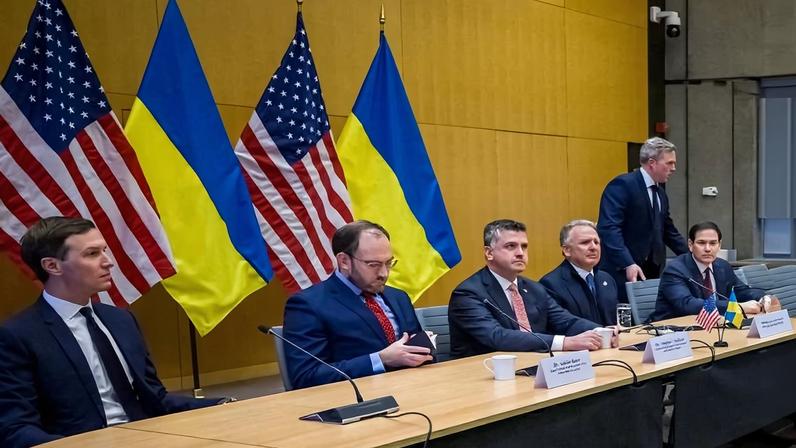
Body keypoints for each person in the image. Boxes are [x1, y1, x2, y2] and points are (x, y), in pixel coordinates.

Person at [0, 217, 223, 448]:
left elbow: (155, 399)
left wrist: (223, 405)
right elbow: (16, 429)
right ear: (52, 266)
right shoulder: (17, 336)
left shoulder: (120, 319)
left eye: (104, 251)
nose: (108, 262)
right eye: (92, 254)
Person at [282, 220, 432, 389]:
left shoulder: (399, 297)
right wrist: (380, 359)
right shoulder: (308, 305)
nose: (384, 273)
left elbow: (420, 351)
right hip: (355, 399)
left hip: (414, 389)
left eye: (389, 263)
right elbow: (306, 376)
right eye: (373, 265)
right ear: (344, 261)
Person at [448, 219, 615, 359]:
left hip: (532, 365)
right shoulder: (468, 294)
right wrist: (565, 343)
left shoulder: (534, 288)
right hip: (482, 374)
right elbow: (497, 337)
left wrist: (600, 331)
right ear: (489, 253)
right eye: (511, 246)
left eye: (524, 246)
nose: (520, 253)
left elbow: (565, 320)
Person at [597, 137, 689, 298]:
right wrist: (627, 263)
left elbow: (668, 230)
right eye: (669, 163)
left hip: (652, 270)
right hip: (624, 270)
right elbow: (609, 228)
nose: (674, 168)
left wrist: (693, 256)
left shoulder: (660, 193)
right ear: (652, 163)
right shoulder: (622, 185)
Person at [649, 221, 766, 322]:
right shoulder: (676, 270)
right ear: (690, 245)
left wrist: (763, 298)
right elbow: (688, 305)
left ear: (719, 245)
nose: (708, 249)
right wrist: (737, 307)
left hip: (715, 326)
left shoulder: (722, 266)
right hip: (673, 333)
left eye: (713, 243)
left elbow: (741, 291)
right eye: (701, 243)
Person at [540, 220, 618, 326]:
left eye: (596, 242)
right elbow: (558, 325)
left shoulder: (607, 279)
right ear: (567, 250)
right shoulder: (550, 284)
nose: (593, 247)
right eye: (585, 242)